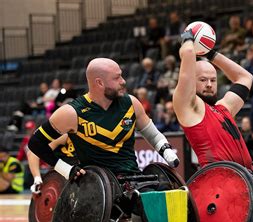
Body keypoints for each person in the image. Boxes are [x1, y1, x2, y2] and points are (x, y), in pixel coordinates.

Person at [28, 57, 179, 181]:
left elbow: (152, 135)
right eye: (117, 77)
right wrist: (66, 169)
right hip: (97, 186)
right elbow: (35, 143)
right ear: (99, 83)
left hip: (133, 178)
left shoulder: (131, 103)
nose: (123, 81)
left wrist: (166, 150)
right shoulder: (71, 113)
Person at [173, 29, 253, 169]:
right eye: (203, 80)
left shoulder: (223, 107)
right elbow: (188, 53)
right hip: (219, 181)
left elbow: (245, 78)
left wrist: (210, 53)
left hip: (247, 178)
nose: (209, 85)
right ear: (192, 81)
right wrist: (188, 38)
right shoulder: (188, 106)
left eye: (213, 80)